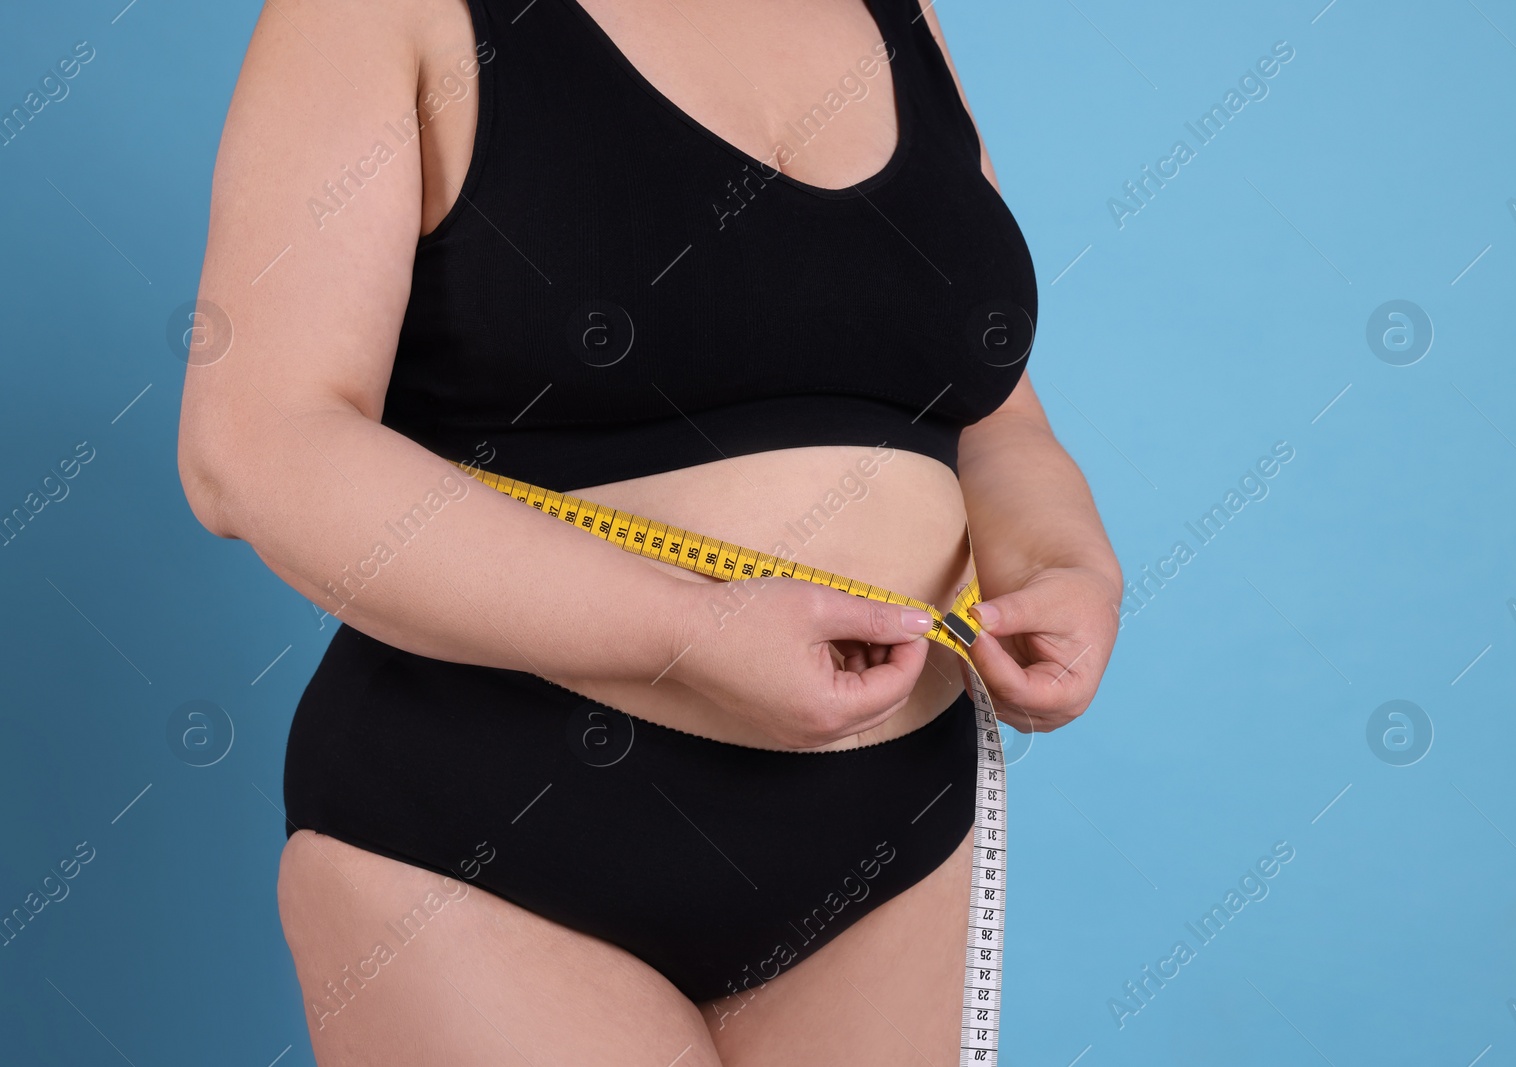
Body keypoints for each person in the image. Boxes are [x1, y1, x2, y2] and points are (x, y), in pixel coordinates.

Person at [177, 0, 1121, 1062]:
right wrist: (687, 626)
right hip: (498, 824)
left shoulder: (896, 14)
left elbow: (985, 412)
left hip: (890, 836)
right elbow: (256, 444)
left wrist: (1064, 560)